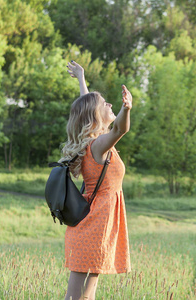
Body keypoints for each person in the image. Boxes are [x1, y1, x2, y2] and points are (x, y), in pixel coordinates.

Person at [60, 60, 132, 300]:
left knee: (86, 296)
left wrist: (82, 79)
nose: (109, 103)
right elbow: (120, 130)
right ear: (95, 115)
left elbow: (87, 106)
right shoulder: (98, 146)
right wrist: (126, 109)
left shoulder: (94, 140)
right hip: (94, 224)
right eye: (105, 104)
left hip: (96, 223)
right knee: (78, 297)